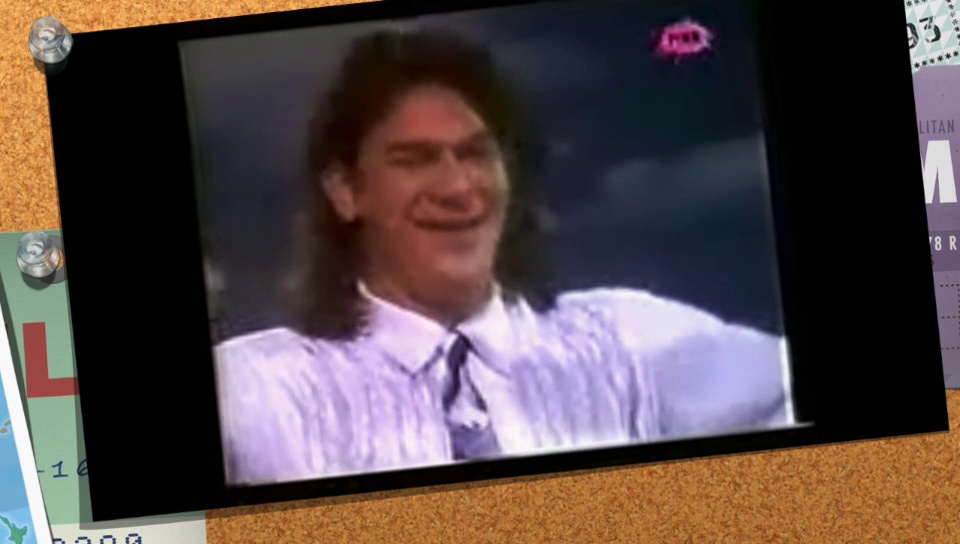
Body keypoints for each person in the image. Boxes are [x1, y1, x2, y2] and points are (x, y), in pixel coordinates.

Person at [213, 27, 795, 487]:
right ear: (346, 190)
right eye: (414, 160)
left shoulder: (633, 342)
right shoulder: (254, 391)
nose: (457, 187)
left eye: (475, 154)